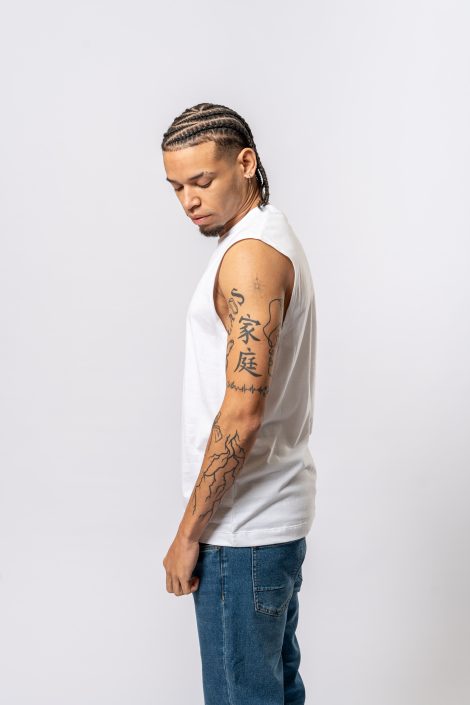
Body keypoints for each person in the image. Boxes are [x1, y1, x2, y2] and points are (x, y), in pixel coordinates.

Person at [161, 102, 317, 705]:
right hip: (266, 525)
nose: (189, 201)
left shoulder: (250, 257)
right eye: (177, 187)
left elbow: (242, 412)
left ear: (246, 163)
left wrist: (189, 533)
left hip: (241, 533)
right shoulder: (265, 237)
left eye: (202, 181)